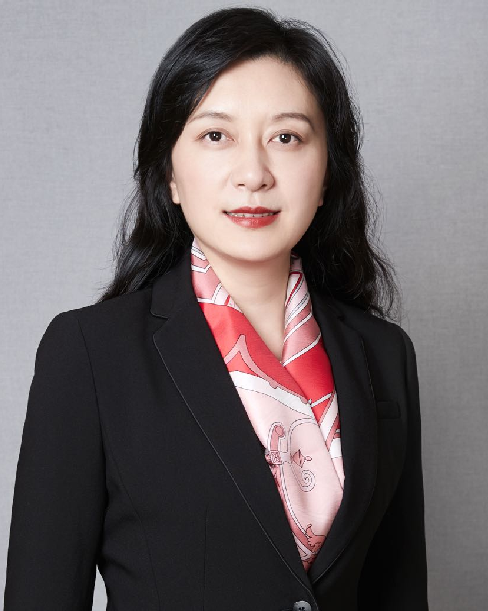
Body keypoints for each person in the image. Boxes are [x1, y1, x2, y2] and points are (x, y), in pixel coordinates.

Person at [3, 6, 429, 611]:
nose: (253, 174)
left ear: (328, 172)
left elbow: (400, 591)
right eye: (215, 136)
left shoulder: (385, 355)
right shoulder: (92, 355)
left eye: (287, 137)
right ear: (170, 175)